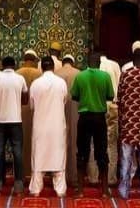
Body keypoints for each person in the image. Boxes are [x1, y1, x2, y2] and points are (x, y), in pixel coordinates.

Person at [116, 41, 140, 200]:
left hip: (129, 124)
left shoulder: (126, 75)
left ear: (132, 59)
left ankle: (124, 191)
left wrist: (122, 122)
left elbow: (120, 100)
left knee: (126, 160)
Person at [71, 51, 114, 196]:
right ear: (99, 63)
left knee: (82, 152)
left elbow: (75, 96)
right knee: (102, 152)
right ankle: (105, 190)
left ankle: (81, 190)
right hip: (99, 118)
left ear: (87, 63)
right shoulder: (105, 76)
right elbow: (110, 96)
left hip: (84, 117)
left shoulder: (80, 76)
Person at [29, 56, 68, 197]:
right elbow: (64, 101)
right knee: (58, 156)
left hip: (40, 126)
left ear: (41, 68)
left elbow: (32, 106)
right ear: (53, 67)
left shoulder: (35, 84)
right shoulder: (61, 83)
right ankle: (60, 189)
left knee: (39, 157)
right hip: (57, 126)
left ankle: (36, 189)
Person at [0, 56, 27, 193]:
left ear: (3, 65)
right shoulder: (20, 79)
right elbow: (25, 100)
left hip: (1, 121)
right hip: (16, 120)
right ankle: (18, 184)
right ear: (14, 65)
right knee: (17, 152)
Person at [16, 49, 41, 180]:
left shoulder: (17, 73)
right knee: (35, 141)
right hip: (36, 111)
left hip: (19, 111)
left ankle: (22, 172)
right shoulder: (39, 73)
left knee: (22, 141)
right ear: (34, 60)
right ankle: (34, 171)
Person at [57, 54, 80, 187]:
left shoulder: (56, 73)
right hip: (76, 109)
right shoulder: (78, 73)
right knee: (75, 141)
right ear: (72, 62)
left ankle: (60, 175)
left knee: (60, 142)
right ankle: (74, 175)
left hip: (59, 110)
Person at [98, 49, 121, 184]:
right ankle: (111, 178)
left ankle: (95, 177)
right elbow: (119, 85)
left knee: (96, 142)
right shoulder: (115, 65)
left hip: (99, 106)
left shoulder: (96, 66)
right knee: (111, 144)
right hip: (113, 106)